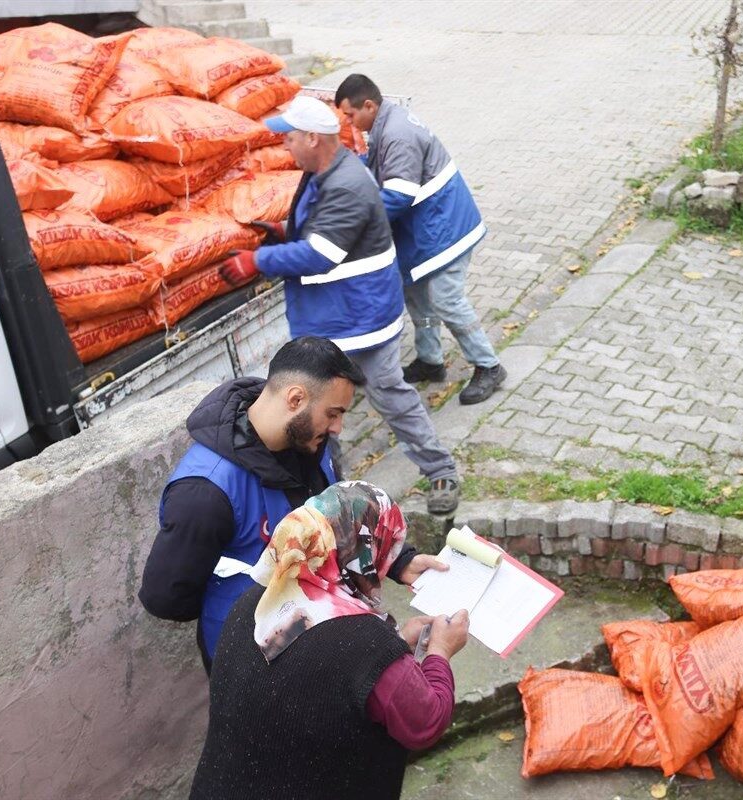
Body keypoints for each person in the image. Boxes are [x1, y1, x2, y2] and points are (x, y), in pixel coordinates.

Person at [139, 336, 448, 672]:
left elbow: (338, 515)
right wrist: (243, 599)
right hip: (255, 668)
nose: (338, 428)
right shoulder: (205, 493)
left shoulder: (307, 440)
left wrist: (399, 561)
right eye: (333, 414)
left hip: (321, 638)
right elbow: (167, 597)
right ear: (295, 398)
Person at [218, 94, 461, 517]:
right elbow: (322, 225)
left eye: (290, 138)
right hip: (336, 315)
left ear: (313, 138)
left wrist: (256, 260)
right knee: (321, 412)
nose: (285, 146)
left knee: (389, 394)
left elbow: (322, 253)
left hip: (360, 319)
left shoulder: (346, 182)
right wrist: (283, 228)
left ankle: (439, 470)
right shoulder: (323, 170)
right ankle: (334, 494)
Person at [189, 481, 469, 799]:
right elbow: (426, 721)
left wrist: (398, 645)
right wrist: (440, 651)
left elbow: (316, 673)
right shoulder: (367, 645)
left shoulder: (255, 601)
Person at [335, 74, 507, 406]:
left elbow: (398, 196)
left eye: (350, 115)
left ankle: (489, 365)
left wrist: (357, 223)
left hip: (446, 230)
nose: (348, 123)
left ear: (368, 105)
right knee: (415, 294)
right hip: (429, 228)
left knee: (447, 300)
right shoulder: (385, 124)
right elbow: (376, 168)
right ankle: (430, 359)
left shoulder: (397, 134)